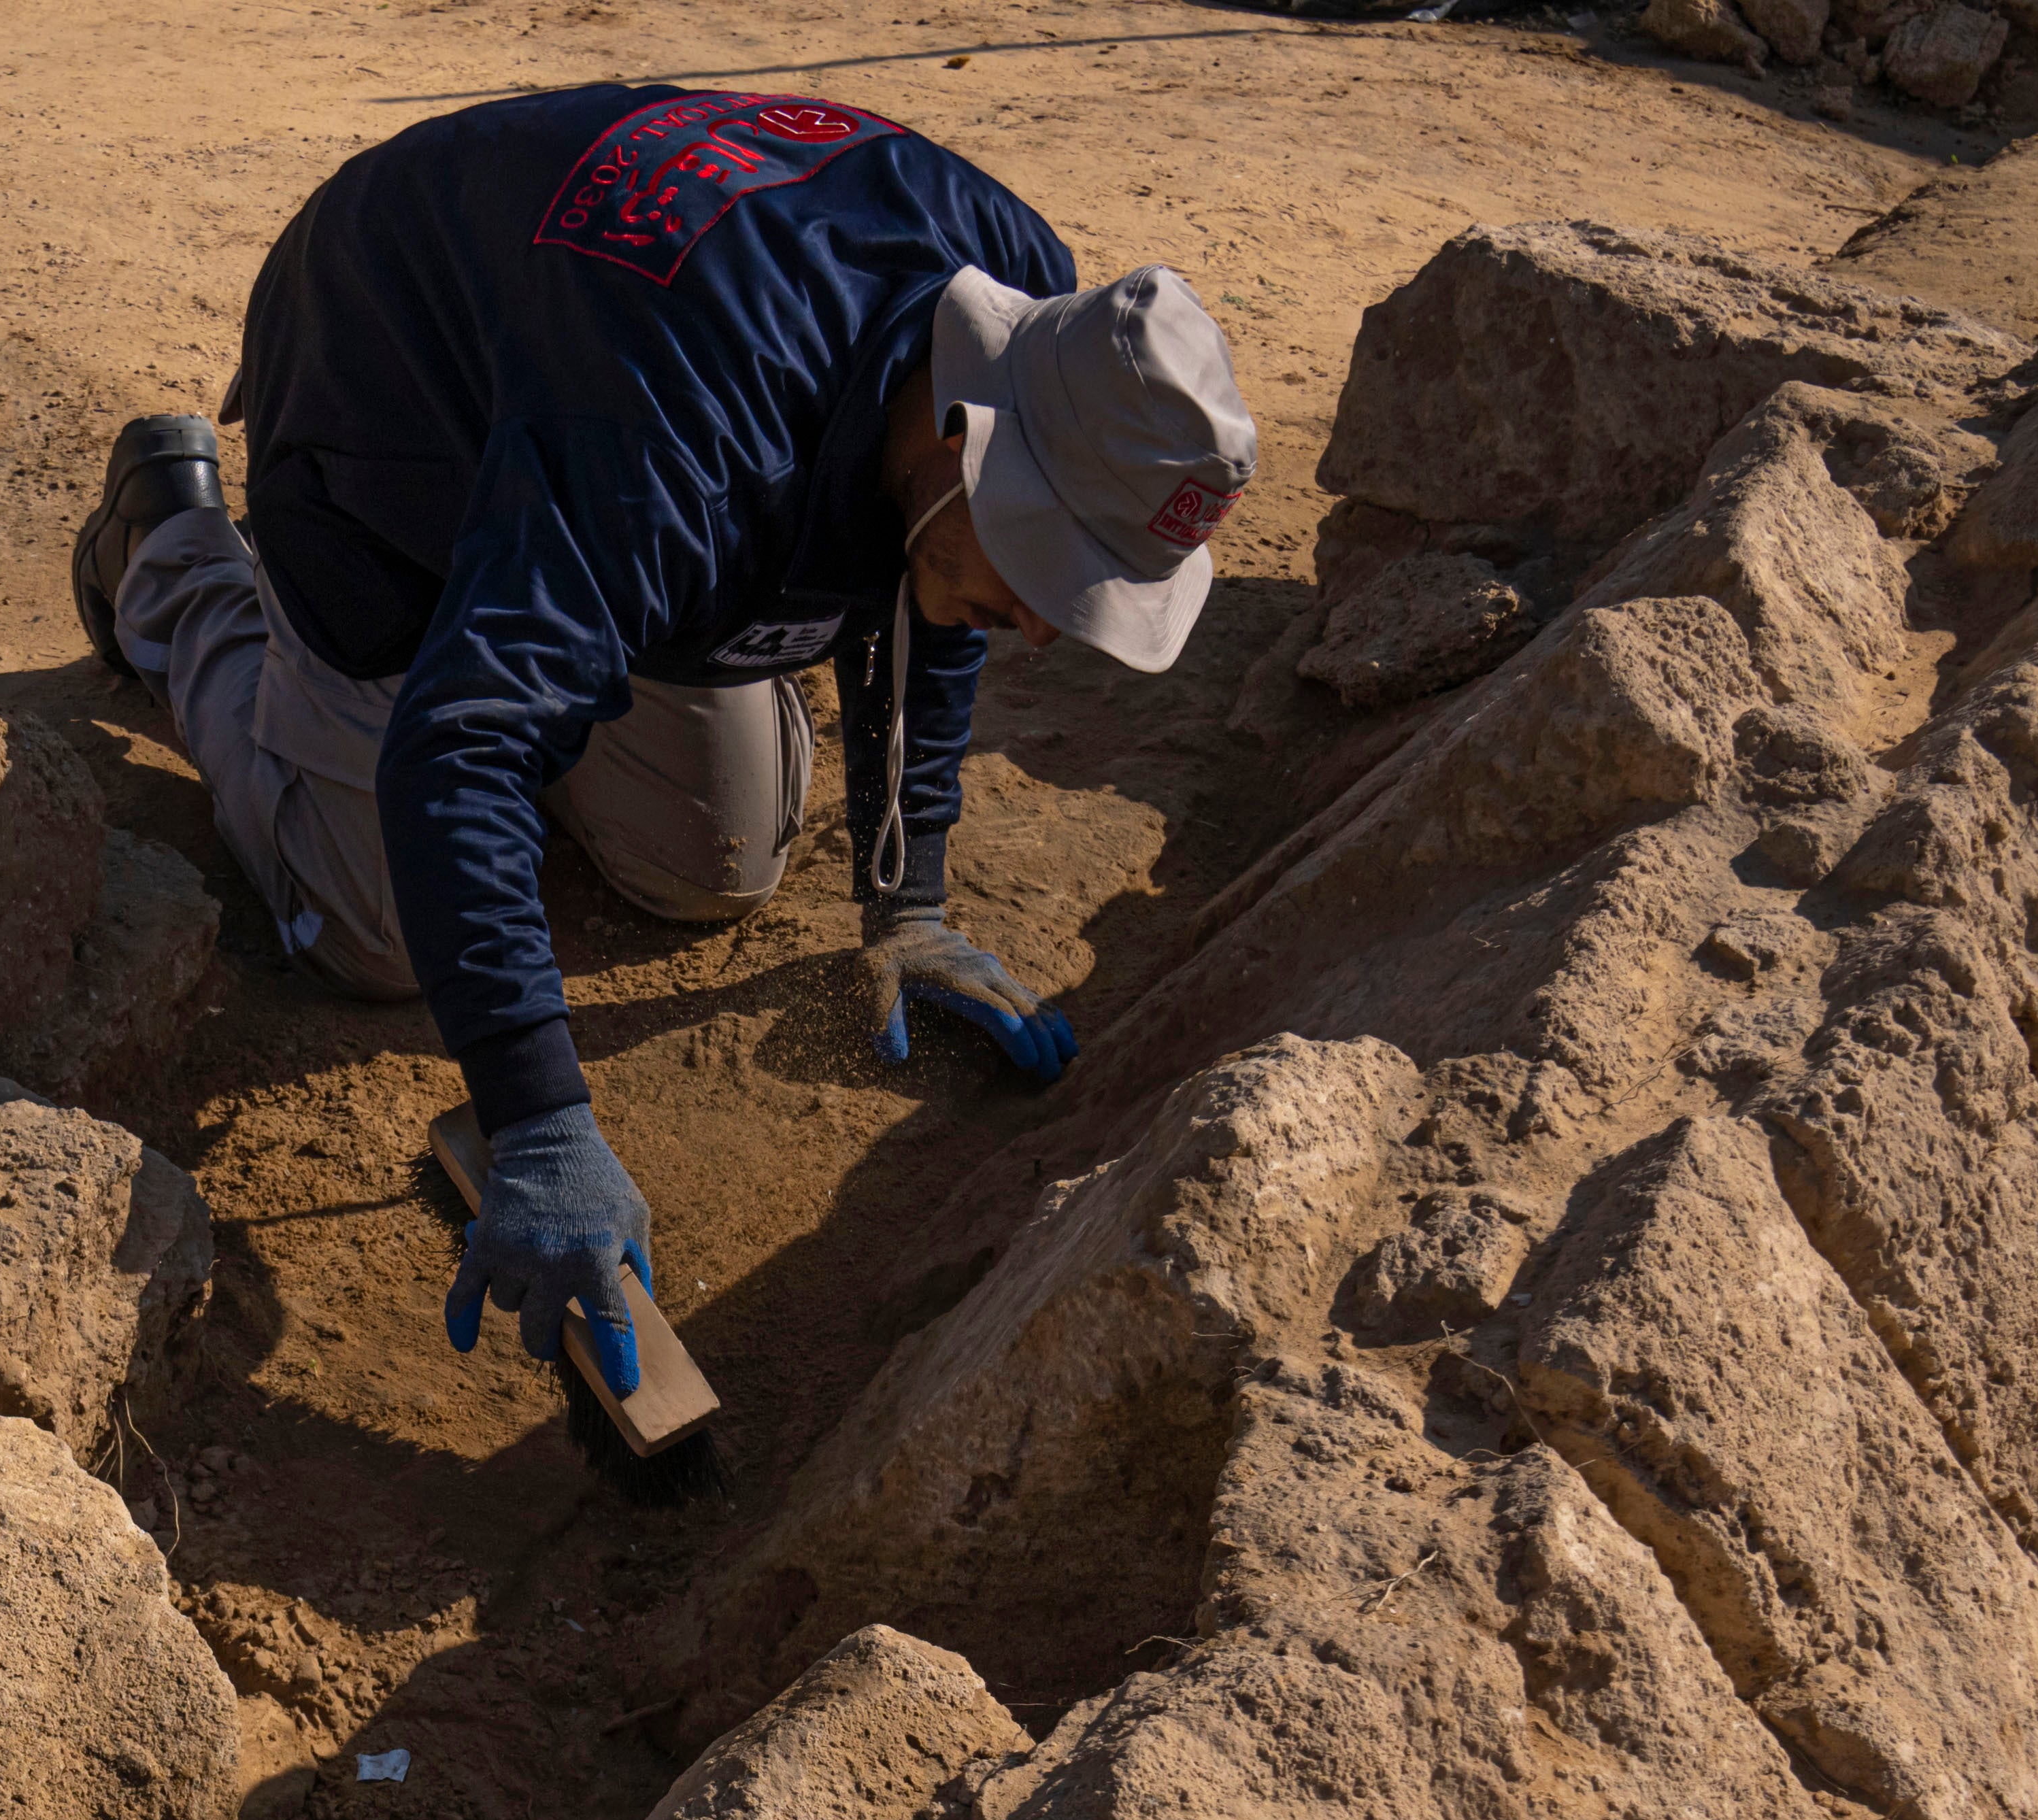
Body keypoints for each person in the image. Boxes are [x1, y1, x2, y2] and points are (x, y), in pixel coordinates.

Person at [69, 85, 1262, 1398]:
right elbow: (458, 753)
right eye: (1048, 566)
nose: (1045, 624)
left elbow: (948, 589)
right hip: (393, 378)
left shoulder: (1028, 319)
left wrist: (906, 901)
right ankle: (172, 558)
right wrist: (537, 1121)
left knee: (717, 862)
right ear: (968, 434)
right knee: (379, 926)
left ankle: (557, 627)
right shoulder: (687, 448)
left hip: (583, 417)